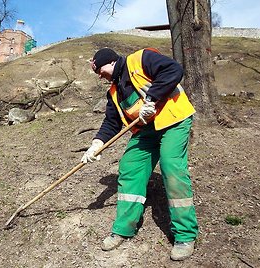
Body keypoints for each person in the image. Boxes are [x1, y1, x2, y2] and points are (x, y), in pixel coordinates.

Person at [81, 47, 199, 261]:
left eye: (99, 71)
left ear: (110, 62)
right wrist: (96, 145)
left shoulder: (141, 59)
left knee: (171, 167)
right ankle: (124, 228)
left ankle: (185, 235)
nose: (100, 76)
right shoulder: (114, 91)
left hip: (174, 120)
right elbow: (111, 122)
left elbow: (173, 70)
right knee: (129, 166)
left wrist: (152, 98)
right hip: (147, 129)